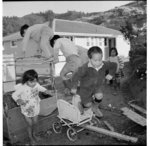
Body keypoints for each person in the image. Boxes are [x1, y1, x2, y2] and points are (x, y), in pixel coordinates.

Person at [71, 46, 117, 117]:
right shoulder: (84, 68)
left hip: (96, 87)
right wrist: (74, 87)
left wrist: (111, 74)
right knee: (87, 104)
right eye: (95, 60)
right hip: (86, 89)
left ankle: (95, 107)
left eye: (100, 59)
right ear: (89, 59)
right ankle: (82, 105)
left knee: (99, 96)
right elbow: (75, 76)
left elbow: (114, 65)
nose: (98, 63)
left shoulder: (103, 64)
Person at [12, 69, 51, 145]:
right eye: (31, 82)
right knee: (29, 124)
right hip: (26, 109)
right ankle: (31, 139)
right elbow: (14, 95)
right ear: (26, 80)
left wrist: (46, 90)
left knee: (35, 123)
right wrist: (18, 99)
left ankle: (34, 134)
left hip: (35, 107)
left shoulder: (36, 85)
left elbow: (41, 88)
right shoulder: (23, 87)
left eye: (35, 81)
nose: (33, 83)